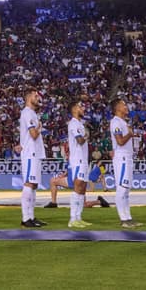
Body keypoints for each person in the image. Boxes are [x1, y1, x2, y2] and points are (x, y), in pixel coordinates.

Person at [109, 97, 141, 229]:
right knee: (122, 188)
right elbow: (120, 141)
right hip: (121, 158)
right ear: (117, 108)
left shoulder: (122, 122)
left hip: (127, 157)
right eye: (123, 105)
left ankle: (128, 218)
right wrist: (130, 134)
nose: (126, 107)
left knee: (126, 190)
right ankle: (123, 219)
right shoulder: (116, 122)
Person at [19, 90, 46, 228]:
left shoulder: (32, 113)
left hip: (35, 153)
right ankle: (25, 218)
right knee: (29, 184)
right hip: (30, 153)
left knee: (34, 185)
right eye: (35, 96)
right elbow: (34, 134)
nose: (38, 98)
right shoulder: (27, 113)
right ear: (28, 97)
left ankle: (31, 216)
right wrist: (39, 127)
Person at [66, 99, 93, 230]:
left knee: (82, 189)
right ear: (74, 109)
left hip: (83, 159)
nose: (83, 109)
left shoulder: (79, 124)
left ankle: (79, 217)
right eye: (80, 107)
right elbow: (80, 140)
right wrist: (87, 135)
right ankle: (73, 219)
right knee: (78, 187)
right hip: (77, 160)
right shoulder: (73, 124)